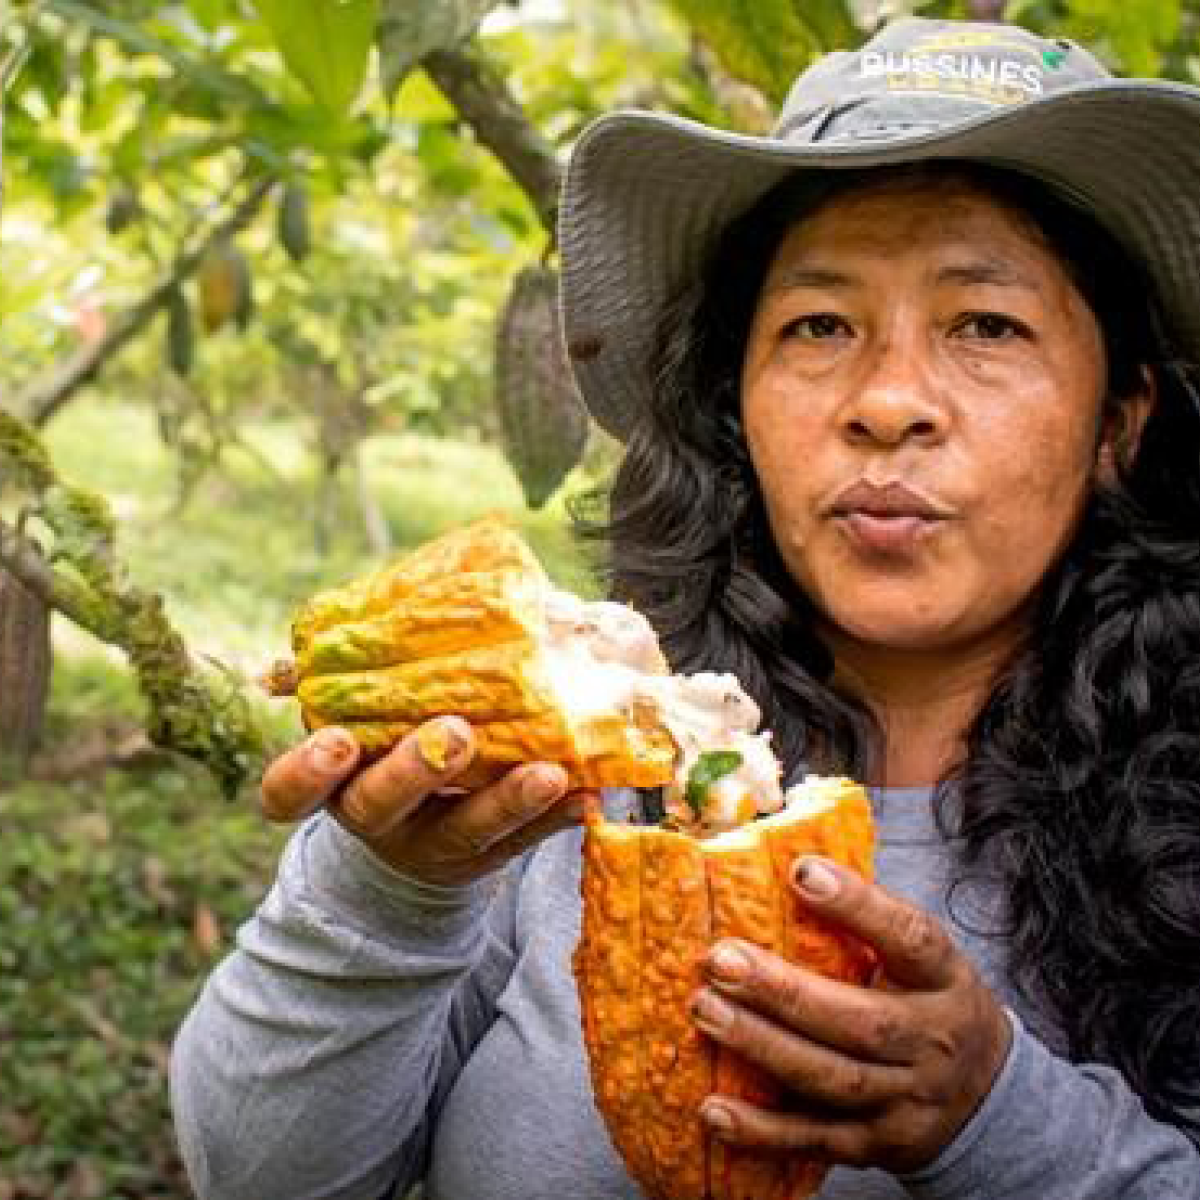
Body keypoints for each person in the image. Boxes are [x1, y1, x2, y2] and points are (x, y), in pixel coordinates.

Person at [170, 15, 1200, 1200]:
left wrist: (996, 1122)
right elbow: (257, 1178)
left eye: (985, 325)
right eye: (819, 324)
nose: (889, 402)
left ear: (1118, 423)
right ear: (737, 409)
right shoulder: (556, 780)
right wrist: (389, 890)